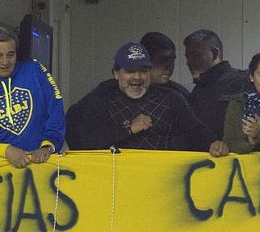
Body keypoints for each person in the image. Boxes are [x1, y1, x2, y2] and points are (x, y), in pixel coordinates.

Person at [65, 42, 228, 156]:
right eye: (130, 71)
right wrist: (129, 128)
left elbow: (195, 129)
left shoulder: (171, 98)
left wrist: (213, 143)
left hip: (160, 182)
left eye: (143, 71)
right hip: (114, 184)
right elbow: (87, 140)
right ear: (116, 73)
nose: (137, 77)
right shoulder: (103, 96)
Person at [0, 25, 65, 168]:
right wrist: (5, 150)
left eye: (10, 54)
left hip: (42, 169)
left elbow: (56, 111)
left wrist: (48, 146)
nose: (5, 62)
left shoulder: (34, 70)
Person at [183, 29, 250, 139]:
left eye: (196, 55)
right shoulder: (197, 91)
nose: (189, 62)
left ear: (215, 54)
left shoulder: (243, 81)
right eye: (187, 57)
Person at [140, 32, 190, 101]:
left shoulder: (180, 94)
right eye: (163, 60)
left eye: (172, 60)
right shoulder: (128, 92)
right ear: (147, 61)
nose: (170, 66)